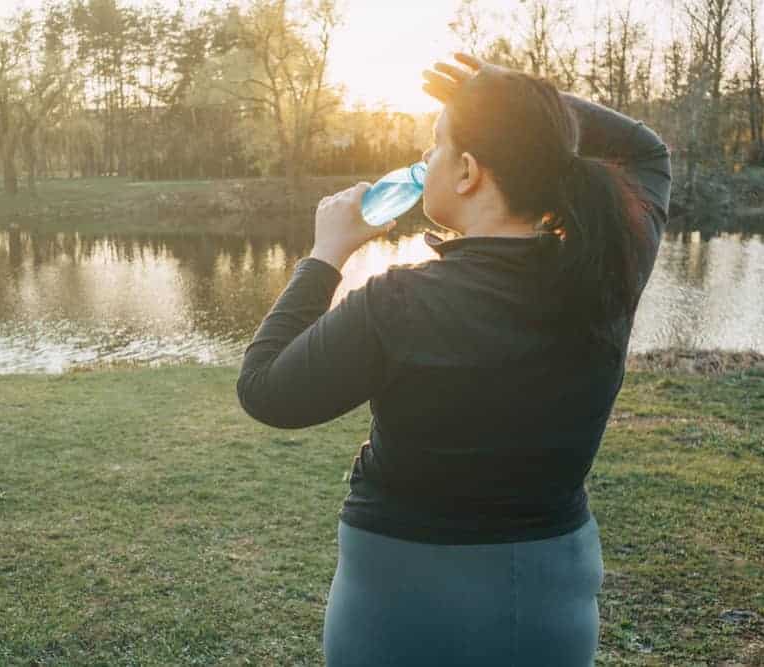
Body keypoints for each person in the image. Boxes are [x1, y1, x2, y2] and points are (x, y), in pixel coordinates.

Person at [235, 53, 671, 667]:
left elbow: (265, 390)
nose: (424, 160)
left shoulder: (397, 302)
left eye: (435, 146)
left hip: (401, 604)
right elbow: (647, 154)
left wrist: (324, 256)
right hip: (552, 601)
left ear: (467, 171)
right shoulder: (608, 276)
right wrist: (523, 109)